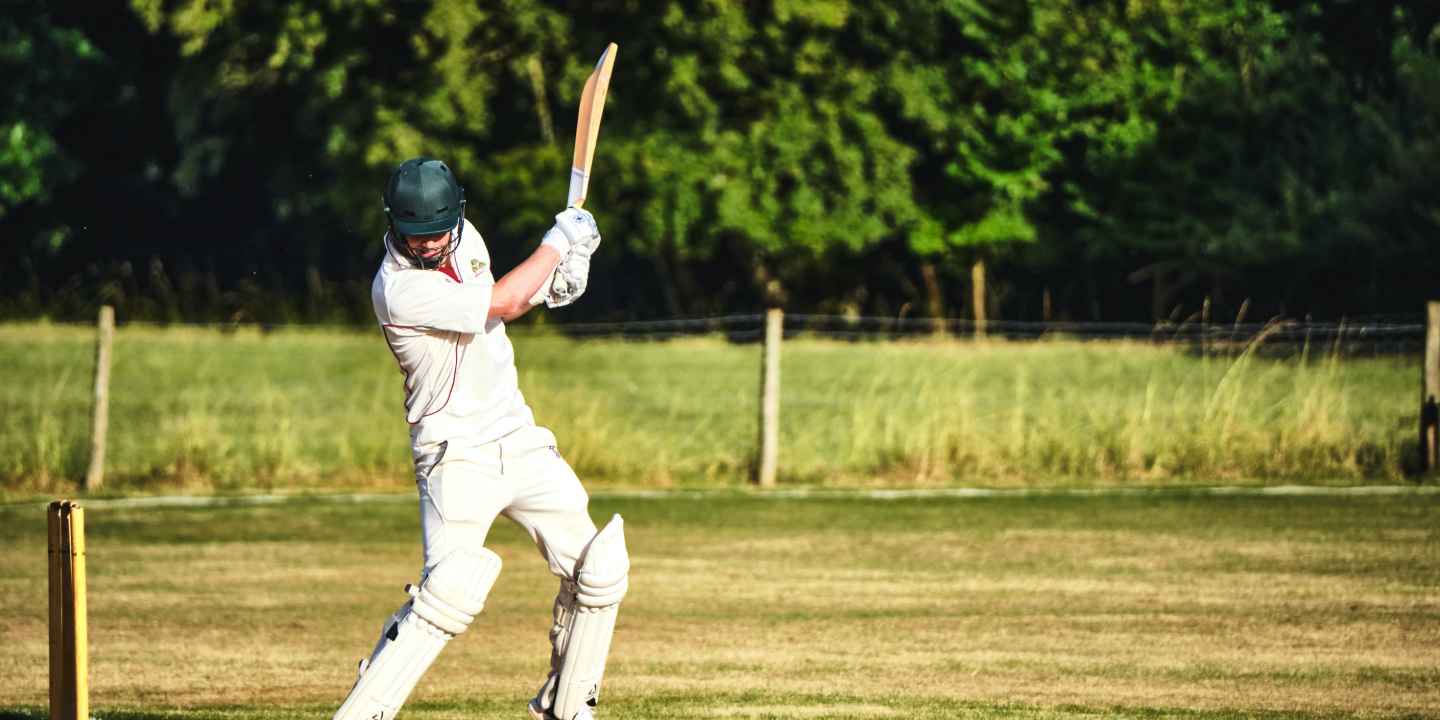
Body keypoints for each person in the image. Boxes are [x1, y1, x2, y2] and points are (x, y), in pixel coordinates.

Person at [333, 157, 629, 720]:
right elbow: (503, 302)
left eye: (439, 232)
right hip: (454, 451)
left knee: (599, 566)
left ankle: (568, 707)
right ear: (395, 225)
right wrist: (556, 242)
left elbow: (513, 300)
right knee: (449, 590)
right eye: (417, 235)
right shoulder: (396, 288)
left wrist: (564, 273)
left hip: (516, 433)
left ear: (458, 215)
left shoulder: (466, 237)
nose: (431, 244)